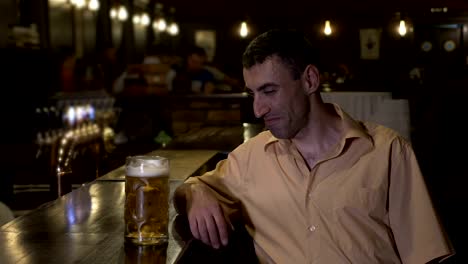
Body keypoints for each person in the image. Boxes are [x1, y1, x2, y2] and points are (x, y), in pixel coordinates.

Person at [173, 29, 454, 263]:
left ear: (309, 80)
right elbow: (192, 188)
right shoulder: (251, 157)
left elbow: (427, 256)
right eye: (253, 94)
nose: (258, 109)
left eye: (269, 91)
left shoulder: (388, 150)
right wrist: (196, 191)